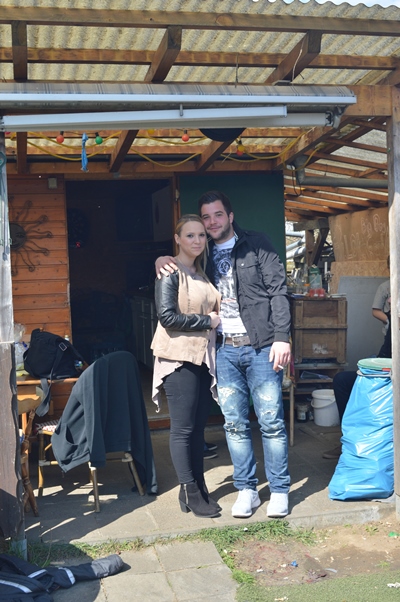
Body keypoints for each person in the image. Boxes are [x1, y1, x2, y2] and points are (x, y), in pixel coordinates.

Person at [156, 191, 291, 519]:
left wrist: (282, 338)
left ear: (230, 216)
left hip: (261, 346)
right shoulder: (202, 254)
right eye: (206, 217)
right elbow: (179, 268)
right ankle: (247, 489)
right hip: (224, 350)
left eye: (218, 215)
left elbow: (278, 291)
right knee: (234, 424)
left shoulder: (257, 244)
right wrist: (162, 259)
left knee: (271, 421)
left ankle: (279, 490)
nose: (211, 222)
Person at [151, 214, 222, 518]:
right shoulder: (169, 272)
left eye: (201, 235)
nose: (197, 240)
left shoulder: (202, 272)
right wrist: (207, 321)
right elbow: (167, 317)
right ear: (177, 239)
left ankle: (196, 487)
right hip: (178, 359)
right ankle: (191, 491)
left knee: (197, 430)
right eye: (190, 235)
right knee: (182, 429)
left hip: (202, 358)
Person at [323, 257, 392, 459]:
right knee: (342, 380)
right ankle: (350, 440)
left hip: (390, 376)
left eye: (391, 299)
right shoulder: (391, 322)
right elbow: (384, 356)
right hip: (385, 370)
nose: (388, 301)